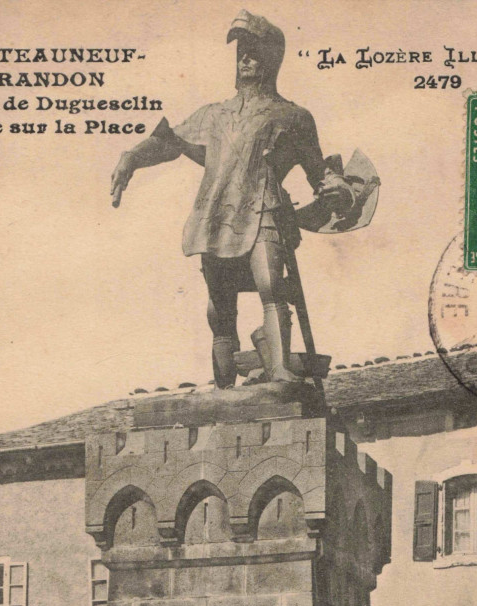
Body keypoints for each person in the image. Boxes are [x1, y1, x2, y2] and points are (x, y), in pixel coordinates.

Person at [110, 10, 353, 387]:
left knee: (272, 288)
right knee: (221, 310)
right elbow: (169, 141)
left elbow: (319, 170)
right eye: (241, 51)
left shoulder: (294, 116)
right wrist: (132, 158)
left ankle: (278, 371)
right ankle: (224, 388)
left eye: (253, 51)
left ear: (272, 58)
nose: (244, 59)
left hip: (266, 210)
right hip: (217, 216)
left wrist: (338, 186)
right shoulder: (213, 115)